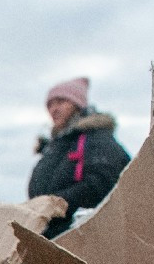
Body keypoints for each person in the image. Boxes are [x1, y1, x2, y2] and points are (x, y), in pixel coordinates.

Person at [27, 76, 130, 239]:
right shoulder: (55, 146)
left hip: (85, 239)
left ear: (77, 105)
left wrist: (54, 204)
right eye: (50, 104)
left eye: (61, 102)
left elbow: (103, 185)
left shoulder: (97, 139)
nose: (54, 109)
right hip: (50, 238)